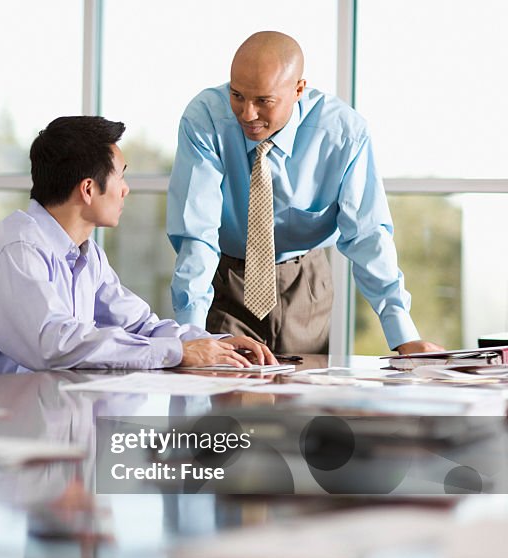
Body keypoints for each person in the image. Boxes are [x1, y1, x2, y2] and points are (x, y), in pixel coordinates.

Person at [0, 116, 275, 385]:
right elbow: (54, 346)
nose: (126, 190)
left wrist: (215, 345)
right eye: (120, 176)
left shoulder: (85, 254)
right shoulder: (17, 249)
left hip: (21, 404)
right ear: (88, 189)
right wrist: (180, 352)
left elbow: (139, 324)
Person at [167, 31, 443, 355]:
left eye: (263, 101)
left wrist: (402, 334)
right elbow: (197, 235)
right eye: (238, 95)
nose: (247, 114)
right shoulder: (205, 120)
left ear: (299, 89)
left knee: (302, 397)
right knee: (224, 395)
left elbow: (368, 237)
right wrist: (193, 332)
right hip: (225, 280)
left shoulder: (343, 134)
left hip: (305, 282)